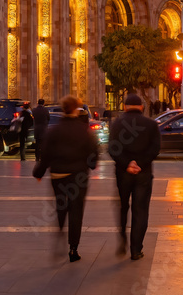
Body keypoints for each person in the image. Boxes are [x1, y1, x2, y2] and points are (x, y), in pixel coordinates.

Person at [33, 95, 99, 263]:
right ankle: (73, 249)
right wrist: (91, 165)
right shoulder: (84, 131)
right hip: (78, 177)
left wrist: (39, 173)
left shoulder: (54, 131)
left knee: (61, 206)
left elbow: (45, 155)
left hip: (58, 176)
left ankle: (60, 230)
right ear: (76, 109)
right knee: (76, 210)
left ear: (63, 109)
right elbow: (93, 153)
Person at [109, 93, 160, 261]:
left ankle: (123, 236)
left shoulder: (117, 124)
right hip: (143, 174)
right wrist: (140, 164)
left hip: (123, 173)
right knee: (141, 210)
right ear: (142, 107)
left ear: (125, 107)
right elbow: (155, 149)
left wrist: (127, 164)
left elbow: (112, 149)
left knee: (124, 206)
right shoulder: (151, 124)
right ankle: (136, 249)